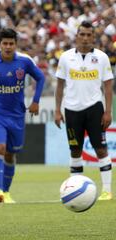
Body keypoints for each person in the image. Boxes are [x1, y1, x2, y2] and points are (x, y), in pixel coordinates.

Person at [0, 28, 45, 203]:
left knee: (10, 155)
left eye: (11, 43)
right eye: (5, 43)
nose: (8, 47)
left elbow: (40, 78)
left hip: (17, 116)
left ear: (16, 45)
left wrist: (36, 101)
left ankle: (7, 191)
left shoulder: (25, 61)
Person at [55, 21, 114, 201]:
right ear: (77, 36)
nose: (86, 38)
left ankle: (107, 190)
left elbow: (108, 86)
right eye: (83, 34)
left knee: (101, 150)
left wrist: (108, 111)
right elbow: (59, 85)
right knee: (75, 151)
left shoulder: (102, 57)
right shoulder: (65, 57)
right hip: (72, 110)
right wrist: (57, 110)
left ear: (93, 37)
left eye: (89, 35)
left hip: (94, 109)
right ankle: (74, 190)